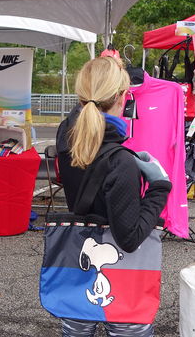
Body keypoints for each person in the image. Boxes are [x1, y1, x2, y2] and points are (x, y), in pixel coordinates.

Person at [55, 57, 172, 337]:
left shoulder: (65, 135)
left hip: (78, 263)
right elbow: (129, 239)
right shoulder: (120, 162)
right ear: (121, 97)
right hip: (122, 275)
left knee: (76, 329)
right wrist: (159, 186)